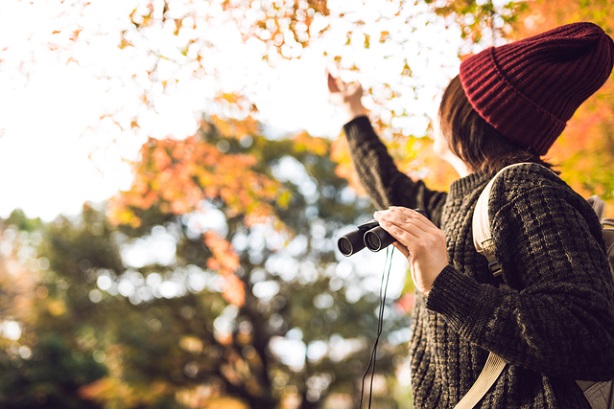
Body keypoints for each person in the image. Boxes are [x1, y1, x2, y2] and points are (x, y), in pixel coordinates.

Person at [328, 22, 614, 408]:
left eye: (447, 97)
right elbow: (392, 191)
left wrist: (445, 286)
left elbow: (593, 334)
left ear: (471, 114)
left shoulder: (526, 189)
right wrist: (352, 112)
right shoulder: (461, 204)